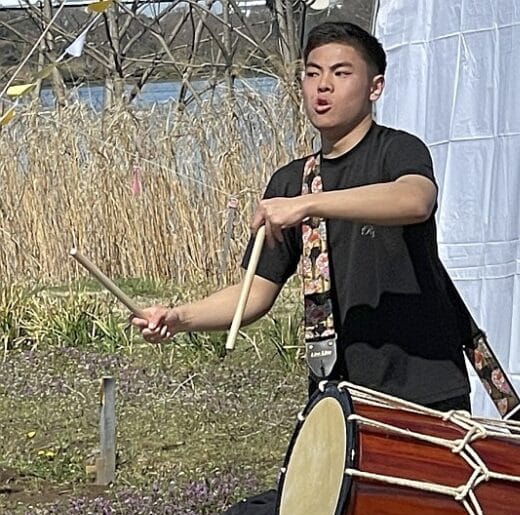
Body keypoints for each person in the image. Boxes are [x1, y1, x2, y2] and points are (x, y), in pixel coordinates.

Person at [131, 21, 472, 413]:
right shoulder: (291, 181)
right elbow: (254, 294)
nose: (322, 86)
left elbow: (415, 201)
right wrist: (178, 317)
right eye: (312, 74)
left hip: (426, 386)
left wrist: (310, 204)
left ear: (375, 88)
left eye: (340, 73)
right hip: (339, 396)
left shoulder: (397, 151)